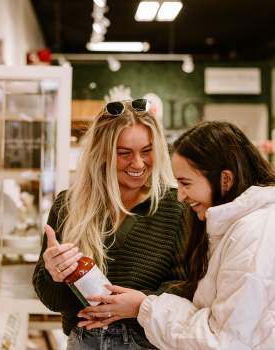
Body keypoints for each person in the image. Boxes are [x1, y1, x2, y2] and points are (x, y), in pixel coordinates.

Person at [77, 120, 275, 349]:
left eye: (186, 183)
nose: (180, 196)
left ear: (225, 179)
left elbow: (222, 341)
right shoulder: (235, 227)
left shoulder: (252, 235)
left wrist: (144, 307)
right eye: (124, 153)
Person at [32, 99, 188, 349]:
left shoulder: (176, 207)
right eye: (124, 153)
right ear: (101, 153)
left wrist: (140, 305)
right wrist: (53, 274)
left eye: (147, 151)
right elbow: (53, 301)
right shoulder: (68, 205)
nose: (138, 164)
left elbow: (188, 288)